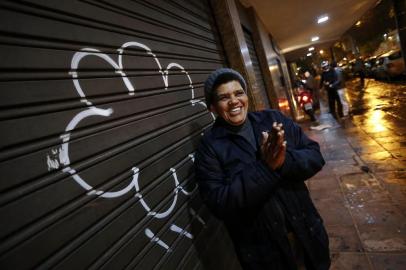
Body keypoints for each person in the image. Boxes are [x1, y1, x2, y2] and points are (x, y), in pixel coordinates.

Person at [195, 68, 330, 270]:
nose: (234, 101)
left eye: (238, 93)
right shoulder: (210, 148)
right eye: (224, 97)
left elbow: (314, 156)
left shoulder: (272, 120)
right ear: (213, 108)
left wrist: (283, 161)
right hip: (265, 254)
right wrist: (266, 168)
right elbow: (220, 202)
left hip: (307, 234)